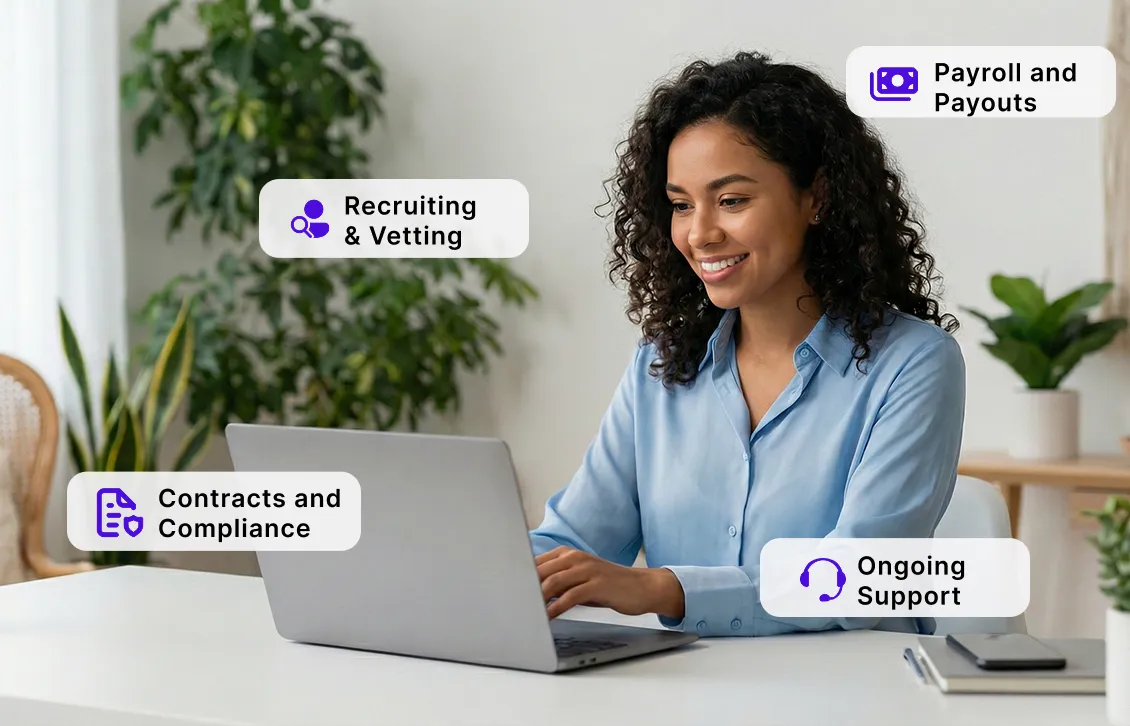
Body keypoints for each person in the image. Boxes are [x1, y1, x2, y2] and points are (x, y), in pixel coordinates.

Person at [528, 51, 965, 638]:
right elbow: (574, 540)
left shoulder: (912, 363)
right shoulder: (662, 365)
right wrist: (489, 568)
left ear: (817, 198)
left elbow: (859, 582)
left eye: (731, 200)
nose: (700, 232)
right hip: (681, 696)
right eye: (681, 204)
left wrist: (664, 590)